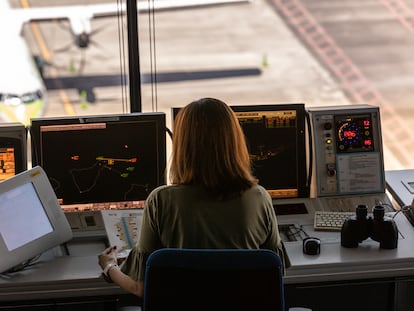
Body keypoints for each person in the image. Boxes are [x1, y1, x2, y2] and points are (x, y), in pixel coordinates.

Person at [98, 97, 289, 297]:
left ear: (182, 146)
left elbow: (141, 287)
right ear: (234, 141)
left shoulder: (160, 201)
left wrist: (110, 267)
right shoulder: (259, 197)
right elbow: (275, 273)